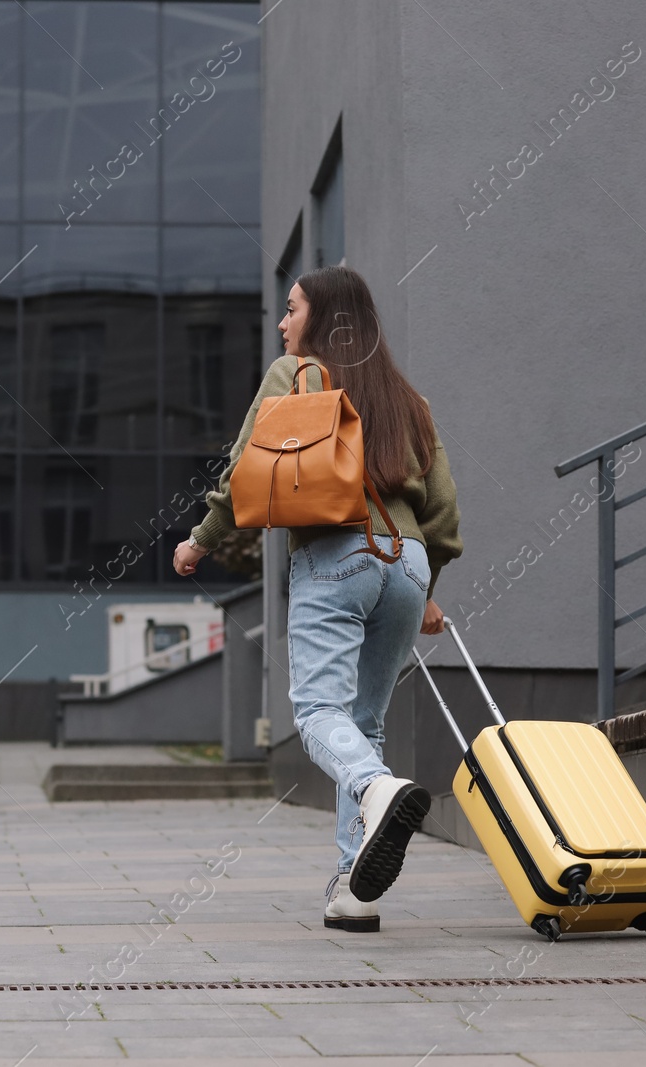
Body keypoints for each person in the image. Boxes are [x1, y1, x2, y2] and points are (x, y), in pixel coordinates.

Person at [174, 265, 462, 933]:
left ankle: (376, 787)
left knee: (316, 714)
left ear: (323, 315)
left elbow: (247, 464)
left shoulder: (298, 373)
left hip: (335, 553)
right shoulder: (407, 399)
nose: (282, 322)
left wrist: (201, 539)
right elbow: (444, 513)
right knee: (364, 719)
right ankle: (352, 891)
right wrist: (427, 590)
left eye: (293, 307)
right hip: (408, 562)